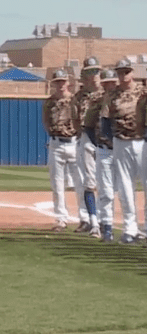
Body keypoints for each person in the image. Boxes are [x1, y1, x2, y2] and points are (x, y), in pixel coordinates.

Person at [100, 58, 146, 244]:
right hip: (121, 142)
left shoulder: (144, 93)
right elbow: (104, 120)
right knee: (125, 187)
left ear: (132, 72)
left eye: (126, 71)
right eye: (120, 72)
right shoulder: (112, 95)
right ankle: (130, 228)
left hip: (143, 142)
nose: (123, 75)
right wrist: (112, 140)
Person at [42, 69, 81, 232]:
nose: (60, 84)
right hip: (56, 143)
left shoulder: (75, 100)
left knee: (81, 183)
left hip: (74, 142)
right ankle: (61, 219)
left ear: (68, 83)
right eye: (57, 82)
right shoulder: (49, 102)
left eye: (63, 81)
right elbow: (45, 121)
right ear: (53, 84)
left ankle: (85, 218)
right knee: (57, 183)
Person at [73, 57, 103, 237]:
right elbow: (75, 119)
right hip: (87, 137)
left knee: (110, 186)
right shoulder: (79, 96)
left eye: (96, 71)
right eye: (90, 72)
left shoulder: (108, 91)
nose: (94, 76)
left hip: (108, 142)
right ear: (84, 75)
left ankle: (106, 222)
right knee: (89, 183)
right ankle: (94, 222)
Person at [90, 68, 118, 242]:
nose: (109, 86)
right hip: (105, 149)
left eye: (112, 83)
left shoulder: (127, 98)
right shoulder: (98, 100)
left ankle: (133, 230)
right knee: (106, 191)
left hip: (124, 147)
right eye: (106, 83)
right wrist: (97, 144)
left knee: (125, 190)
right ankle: (106, 225)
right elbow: (86, 125)